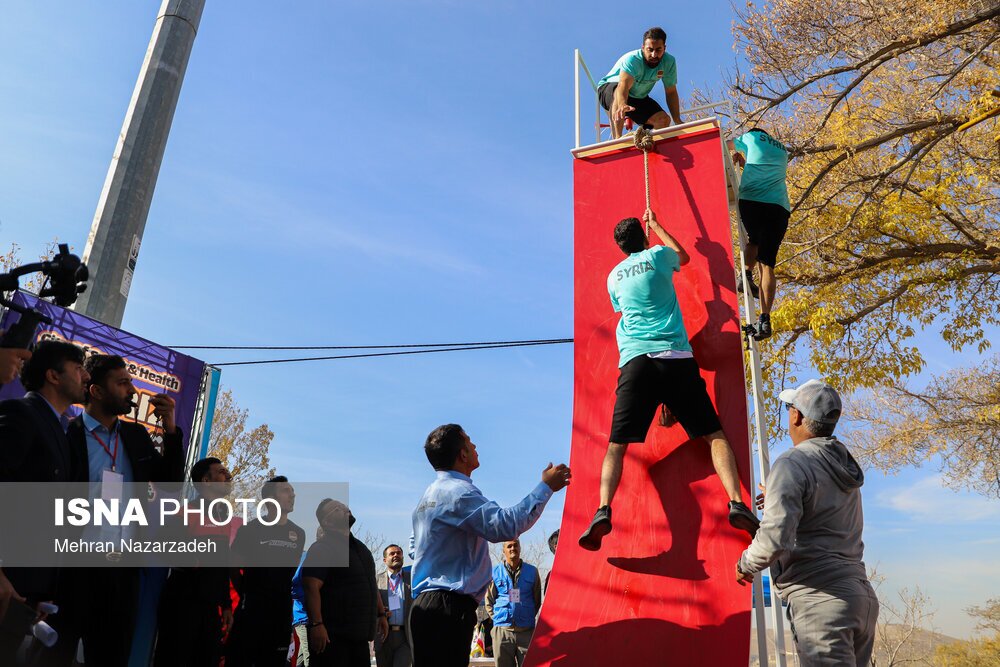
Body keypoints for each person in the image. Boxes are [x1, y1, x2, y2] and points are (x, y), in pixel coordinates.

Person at [578, 209, 759, 552]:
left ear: (621, 247)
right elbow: (685, 256)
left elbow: (622, 308)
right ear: (644, 238)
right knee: (713, 435)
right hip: (675, 357)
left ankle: (602, 509)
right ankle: (736, 501)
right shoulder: (658, 255)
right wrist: (659, 225)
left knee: (617, 445)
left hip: (635, 361)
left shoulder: (614, 277)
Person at [45, 353, 184, 666]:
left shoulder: (135, 437)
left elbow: (171, 485)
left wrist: (171, 430)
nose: (132, 391)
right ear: (96, 391)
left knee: (111, 655)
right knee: (55, 653)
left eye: (131, 383)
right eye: (122, 383)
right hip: (72, 568)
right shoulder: (67, 433)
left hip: (121, 572)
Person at [736, 379, 878, 666]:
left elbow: (775, 538)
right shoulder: (841, 465)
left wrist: (745, 564)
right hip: (860, 597)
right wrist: (777, 494)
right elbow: (821, 512)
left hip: (821, 600)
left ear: (797, 416)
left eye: (790, 408)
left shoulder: (792, 463)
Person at [409, 424, 570, 667]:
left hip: (427, 606)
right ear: (463, 454)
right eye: (470, 441)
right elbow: (506, 525)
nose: (475, 446)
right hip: (447, 608)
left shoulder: (428, 497)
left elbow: (414, 547)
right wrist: (546, 487)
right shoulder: (459, 494)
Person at [0, 341, 88, 664]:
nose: (85, 375)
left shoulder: (61, 434)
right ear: (53, 375)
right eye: (78, 369)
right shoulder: (21, 414)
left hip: (25, 599)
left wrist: (41, 592)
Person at [154, 458, 237, 667]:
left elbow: (222, 563)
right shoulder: (186, 511)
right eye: (221, 472)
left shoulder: (222, 515)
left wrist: (226, 604)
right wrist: (192, 559)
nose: (228, 476)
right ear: (206, 481)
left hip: (210, 608)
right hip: (182, 605)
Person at [227, 476, 305, 667]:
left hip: (281, 614)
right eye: (286, 490)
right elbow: (232, 567)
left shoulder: (299, 533)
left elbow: (289, 573)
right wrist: (247, 590)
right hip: (252, 612)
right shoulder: (250, 530)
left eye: (293, 491)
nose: (292, 494)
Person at [302, 500, 387, 667]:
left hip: (360, 639)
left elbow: (370, 583)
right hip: (332, 639)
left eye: (343, 505)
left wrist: (381, 613)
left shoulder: (362, 549)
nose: (344, 508)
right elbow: (311, 586)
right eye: (336, 509)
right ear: (326, 521)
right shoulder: (322, 548)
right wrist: (316, 625)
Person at [730, 128, 791, 339]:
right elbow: (764, 170)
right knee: (767, 263)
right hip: (779, 207)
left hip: (753, 201)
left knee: (754, 241)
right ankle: (765, 318)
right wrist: (745, 161)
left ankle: (745, 276)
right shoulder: (783, 150)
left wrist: (735, 156)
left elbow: (726, 144)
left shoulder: (751, 136)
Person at [597, 27, 682, 139]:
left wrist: (678, 121)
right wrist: (622, 104)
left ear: (664, 48)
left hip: (637, 97)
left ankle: (647, 140)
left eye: (658, 50)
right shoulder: (633, 60)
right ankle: (617, 139)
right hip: (610, 88)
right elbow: (623, 85)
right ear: (643, 48)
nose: (654, 55)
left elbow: (671, 92)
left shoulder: (669, 62)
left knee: (663, 120)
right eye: (650, 50)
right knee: (619, 92)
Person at [485, 539, 541, 667]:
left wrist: (526, 615)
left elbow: (537, 599)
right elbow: (489, 600)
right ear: (503, 550)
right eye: (509, 546)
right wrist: (498, 618)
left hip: (526, 631)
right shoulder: (494, 572)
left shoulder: (532, 571)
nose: (512, 548)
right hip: (502, 632)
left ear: (520, 548)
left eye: (515, 545)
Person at [374, 544, 412, 667]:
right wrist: (380, 612)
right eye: (392, 553)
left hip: (405, 637)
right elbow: (368, 606)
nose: (396, 555)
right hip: (383, 636)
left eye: (399, 553)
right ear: (385, 560)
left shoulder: (412, 580)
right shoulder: (376, 581)